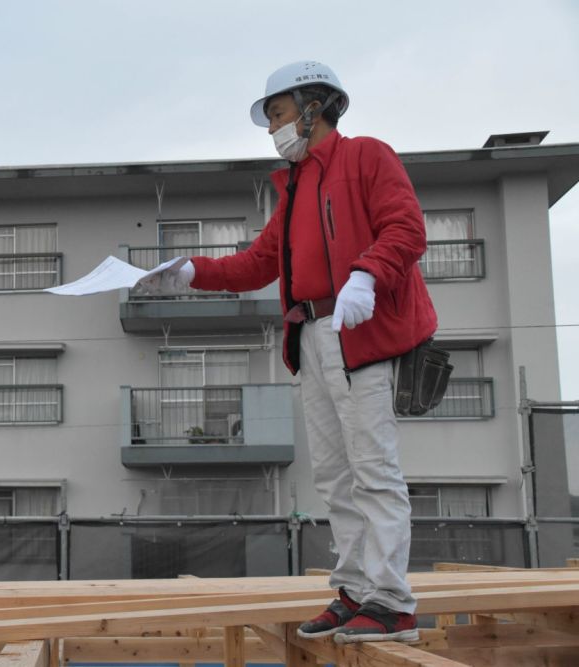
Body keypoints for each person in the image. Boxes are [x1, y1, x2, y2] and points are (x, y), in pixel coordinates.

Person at [135, 61, 436, 644]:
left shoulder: (366, 156)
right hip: (314, 334)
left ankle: (393, 604)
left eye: (277, 114)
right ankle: (354, 592)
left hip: (362, 329)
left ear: (314, 106)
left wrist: (367, 276)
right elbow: (257, 264)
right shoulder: (293, 189)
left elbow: (406, 227)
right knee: (333, 474)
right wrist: (190, 270)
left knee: (373, 470)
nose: (271, 127)